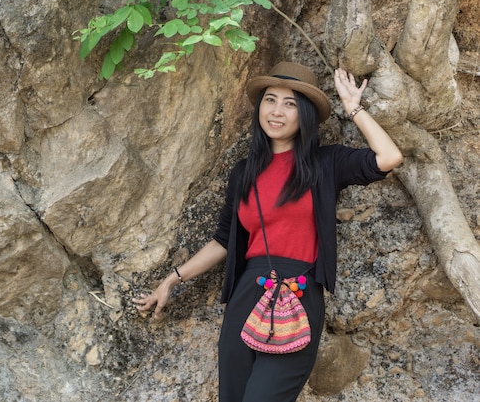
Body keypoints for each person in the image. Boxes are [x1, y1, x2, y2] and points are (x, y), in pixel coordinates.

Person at [132, 61, 403, 402]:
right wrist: (171, 280)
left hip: (298, 297)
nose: (277, 111)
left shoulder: (326, 163)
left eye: (290, 103)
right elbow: (224, 240)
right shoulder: (244, 173)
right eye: (270, 100)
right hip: (248, 292)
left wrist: (354, 109)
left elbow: (389, 156)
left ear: (304, 114)